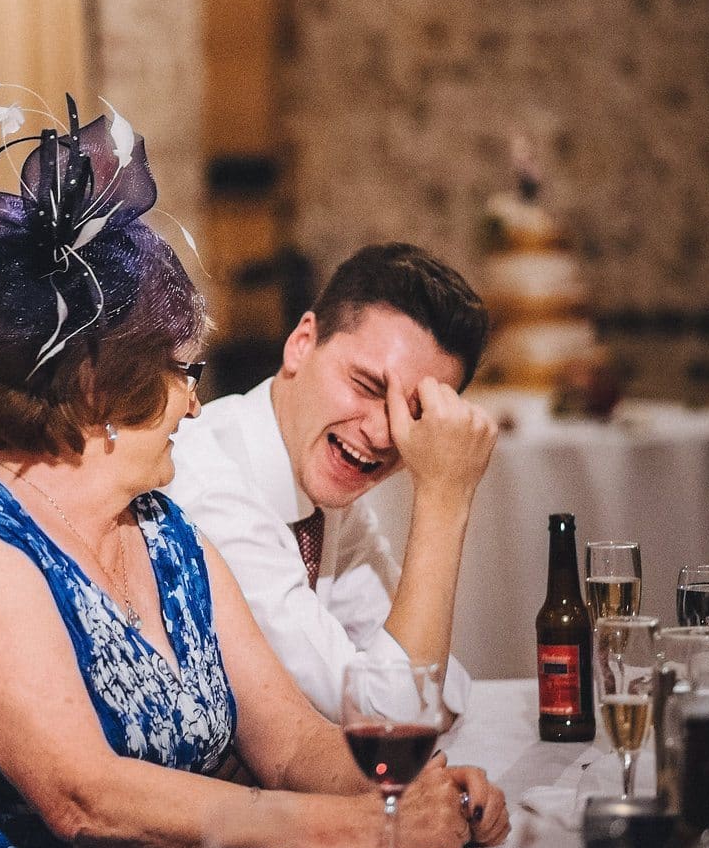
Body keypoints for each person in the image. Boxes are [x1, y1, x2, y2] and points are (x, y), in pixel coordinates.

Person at [0, 103, 509, 848]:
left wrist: (406, 788)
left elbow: (295, 741)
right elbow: (88, 800)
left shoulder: (163, 532)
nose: (198, 404)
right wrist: (367, 827)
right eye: (184, 372)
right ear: (97, 388)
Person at [164, 243, 496, 722]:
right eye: (366, 385)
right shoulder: (214, 491)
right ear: (301, 344)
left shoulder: (322, 488)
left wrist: (403, 693)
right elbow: (390, 717)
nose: (383, 434)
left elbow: (433, 687)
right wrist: (445, 498)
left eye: (413, 413)